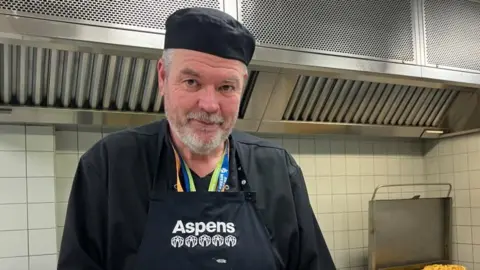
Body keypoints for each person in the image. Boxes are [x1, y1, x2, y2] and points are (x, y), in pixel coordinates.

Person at [57, 7, 335, 270]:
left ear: (243, 87)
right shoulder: (107, 166)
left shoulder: (278, 170)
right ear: (163, 77)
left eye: (226, 87)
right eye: (192, 82)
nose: (210, 105)